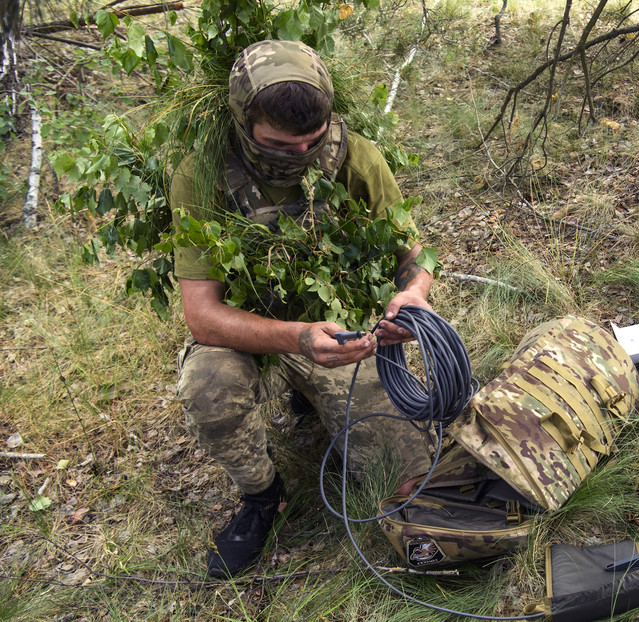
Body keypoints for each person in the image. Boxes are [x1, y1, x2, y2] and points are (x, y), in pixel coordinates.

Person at [169, 40, 435, 579]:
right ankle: (263, 497)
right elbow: (202, 314)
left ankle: (315, 399)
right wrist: (296, 338)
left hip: (342, 334)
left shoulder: (355, 156)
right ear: (242, 122)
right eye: (278, 145)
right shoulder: (202, 173)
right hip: (252, 337)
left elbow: (414, 256)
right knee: (209, 386)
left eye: (311, 143)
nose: (299, 155)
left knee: (409, 476)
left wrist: (414, 295)